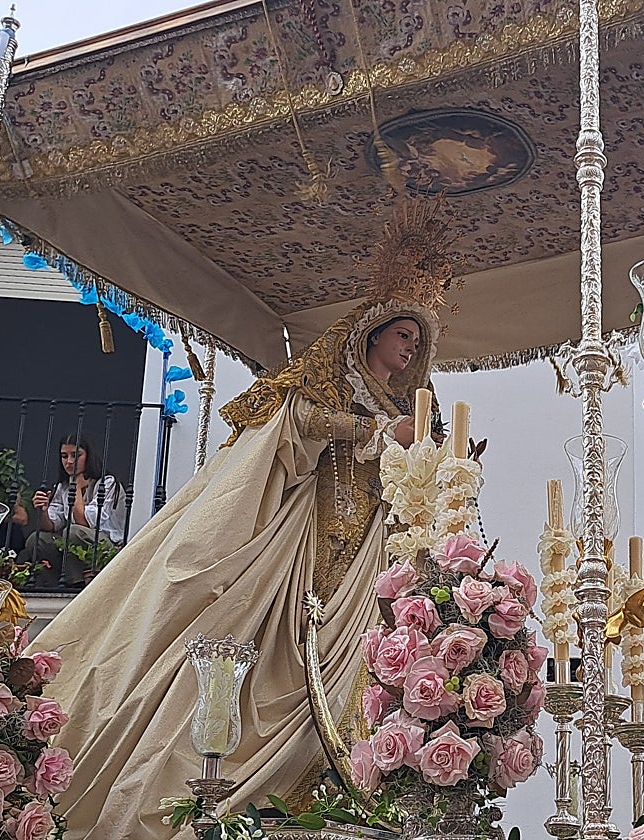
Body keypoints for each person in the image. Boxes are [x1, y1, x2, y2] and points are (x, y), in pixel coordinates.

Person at [28, 286, 443, 839]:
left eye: (417, 341)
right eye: (402, 334)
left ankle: (338, 784)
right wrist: (374, 432)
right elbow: (299, 422)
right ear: (371, 335)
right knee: (272, 642)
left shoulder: (408, 408)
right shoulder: (330, 386)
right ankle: (235, 782)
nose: (410, 349)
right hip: (302, 539)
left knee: (356, 659)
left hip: (364, 552)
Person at [17, 434, 127, 588]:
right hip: (73, 545)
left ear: (88, 456)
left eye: (76, 455)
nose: (69, 462)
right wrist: (43, 510)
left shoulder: (107, 483)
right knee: (37, 539)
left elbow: (84, 522)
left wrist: (75, 486)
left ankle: (79, 585)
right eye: (64, 456)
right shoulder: (62, 487)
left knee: (74, 531)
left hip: (106, 546)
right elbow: (51, 526)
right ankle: (63, 583)